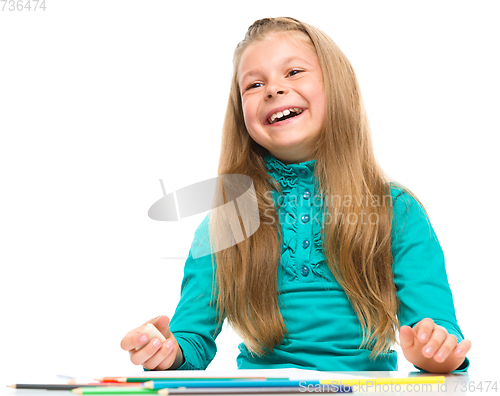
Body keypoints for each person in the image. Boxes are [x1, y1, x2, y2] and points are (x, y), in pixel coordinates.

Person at [120, 16, 471, 373]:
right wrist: (165, 351)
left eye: (293, 72)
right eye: (254, 84)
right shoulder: (226, 221)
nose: (273, 89)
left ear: (337, 86)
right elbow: (190, 341)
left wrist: (434, 351)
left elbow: (440, 334)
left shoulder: (397, 211)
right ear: (242, 116)